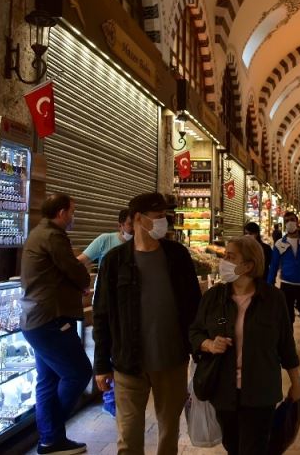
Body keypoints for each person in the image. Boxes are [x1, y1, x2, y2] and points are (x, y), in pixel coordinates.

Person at [93, 192, 202, 455]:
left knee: (169, 433)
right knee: (128, 438)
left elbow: (195, 305)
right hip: (128, 363)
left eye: (166, 216)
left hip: (172, 361)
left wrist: (200, 347)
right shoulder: (114, 261)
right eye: (158, 217)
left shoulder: (177, 256)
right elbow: (102, 314)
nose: (164, 222)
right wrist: (100, 365)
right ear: (139, 219)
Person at [190, 236, 300, 455]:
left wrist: (296, 382)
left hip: (260, 391)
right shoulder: (214, 298)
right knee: (233, 446)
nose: (224, 261)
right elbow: (195, 332)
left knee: (253, 449)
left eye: (230, 256)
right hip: (223, 389)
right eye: (225, 256)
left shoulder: (273, 299)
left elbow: (286, 344)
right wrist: (209, 344)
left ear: (249, 265)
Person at [20, 193, 92, 455]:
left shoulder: (40, 232)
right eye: (72, 211)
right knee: (79, 373)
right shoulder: (53, 236)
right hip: (50, 319)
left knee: (48, 380)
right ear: (62, 213)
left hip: (36, 320)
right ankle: (51, 430)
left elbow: (58, 273)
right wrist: (84, 283)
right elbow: (73, 268)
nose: (74, 216)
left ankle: (51, 441)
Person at [77, 209, 133, 417]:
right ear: (120, 225)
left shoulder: (141, 245)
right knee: (107, 347)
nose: (133, 230)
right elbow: (81, 260)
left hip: (129, 308)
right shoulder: (105, 241)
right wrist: (80, 284)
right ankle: (109, 398)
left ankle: (120, 395)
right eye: (129, 225)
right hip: (107, 305)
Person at [267, 211, 300, 352]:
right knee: (287, 317)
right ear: (284, 223)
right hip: (287, 285)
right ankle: (289, 344)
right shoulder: (280, 244)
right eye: (287, 220)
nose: (290, 222)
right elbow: (273, 266)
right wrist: (269, 284)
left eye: (292, 219)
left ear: (297, 222)